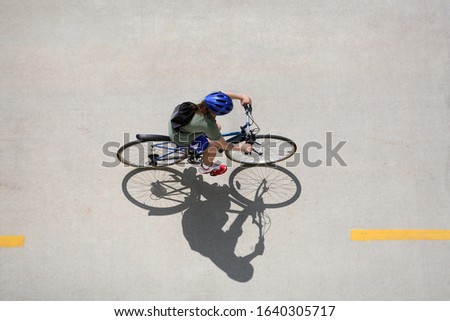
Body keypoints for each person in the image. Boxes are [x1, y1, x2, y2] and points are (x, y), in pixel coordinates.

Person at [168, 91, 253, 176]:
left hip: (177, 124)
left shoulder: (205, 101)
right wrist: (242, 148)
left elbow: (223, 96)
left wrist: (242, 96)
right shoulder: (208, 125)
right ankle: (205, 168)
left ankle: (201, 144)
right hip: (180, 138)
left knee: (217, 127)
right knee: (213, 146)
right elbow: (224, 145)